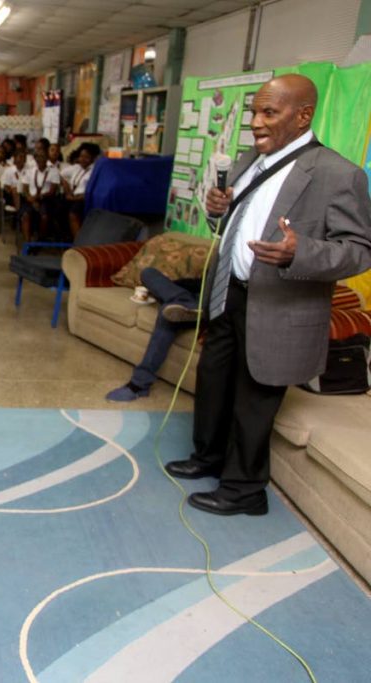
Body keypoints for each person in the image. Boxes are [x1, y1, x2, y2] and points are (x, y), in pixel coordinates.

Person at [164, 74, 371, 516]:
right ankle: (209, 457)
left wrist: (303, 252)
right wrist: (215, 209)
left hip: (280, 306)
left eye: (268, 113)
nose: (256, 122)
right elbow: (230, 222)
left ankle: (244, 491)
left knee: (254, 399)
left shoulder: (338, 174)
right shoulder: (247, 159)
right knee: (215, 382)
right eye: (254, 113)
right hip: (229, 295)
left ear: (302, 116)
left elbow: (358, 252)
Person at [105, 268, 201, 402]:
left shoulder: (236, 260)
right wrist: (168, 285)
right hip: (189, 297)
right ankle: (183, 302)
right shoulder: (219, 255)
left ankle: (138, 385)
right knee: (148, 273)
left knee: (166, 314)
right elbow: (199, 283)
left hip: (206, 305)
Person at [61, 142, 100, 238]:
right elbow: (62, 175)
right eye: (81, 156)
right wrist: (68, 191)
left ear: (93, 158)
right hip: (72, 197)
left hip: (83, 199)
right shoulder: (77, 168)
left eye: (86, 157)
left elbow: (91, 191)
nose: (82, 159)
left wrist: (74, 198)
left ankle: (78, 242)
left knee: (73, 214)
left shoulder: (94, 171)